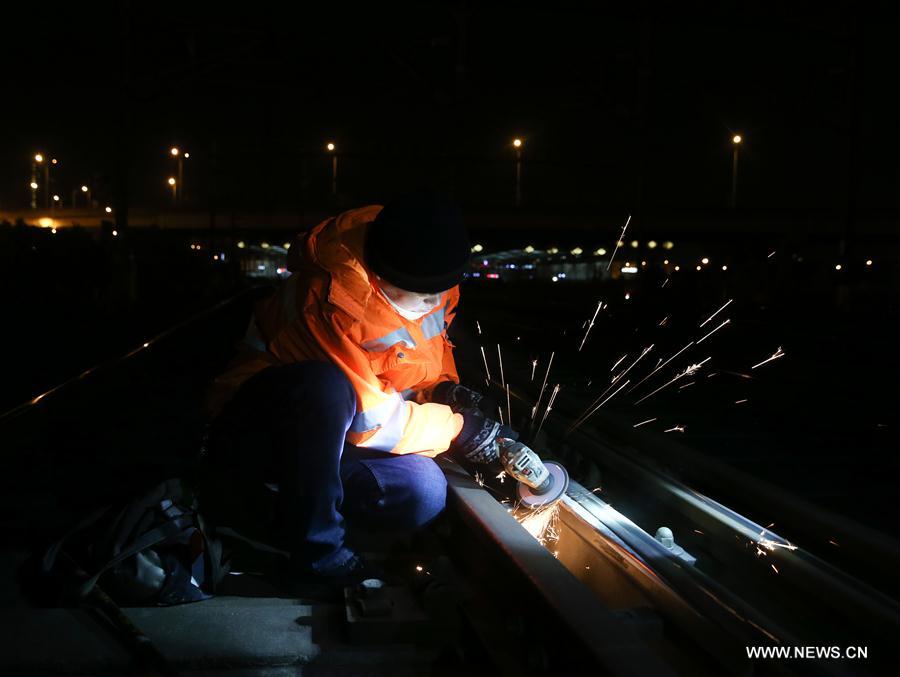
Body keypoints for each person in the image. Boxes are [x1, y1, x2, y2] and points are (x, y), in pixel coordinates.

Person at [202, 191, 514, 590]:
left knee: (424, 491)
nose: (434, 303)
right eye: (422, 295)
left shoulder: (430, 278)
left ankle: (282, 516)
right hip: (257, 439)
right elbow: (372, 418)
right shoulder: (328, 300)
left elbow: (420, 358)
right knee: (325, 387)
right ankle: (316, 554)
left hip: (330, 440)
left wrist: (444, 391)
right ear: (381, 277)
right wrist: (457, 429)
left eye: (441, 293)